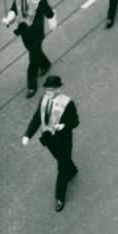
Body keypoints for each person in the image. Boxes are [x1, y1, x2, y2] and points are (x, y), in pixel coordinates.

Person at [21, 74, 79, 212]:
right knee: (62, 160)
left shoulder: (67, 103)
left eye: (52, 90)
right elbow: (37, 118)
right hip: (49, 139)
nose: (49, 93)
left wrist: (64, 125)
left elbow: (75, 121)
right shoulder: (43, 99)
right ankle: (72, 169)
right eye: (47, 90)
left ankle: (59, 197)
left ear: (59, 89)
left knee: (62, 167)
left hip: (63, 140)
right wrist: (28, 135)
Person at [2, 0, 56, 97]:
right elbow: (14, 9)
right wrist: (8, 19)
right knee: (33, 51)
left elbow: (49, 13)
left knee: (33, 59)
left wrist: (51, 18)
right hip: (24, 32)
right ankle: (46, 64)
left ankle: (31, 86)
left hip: (37, 33)